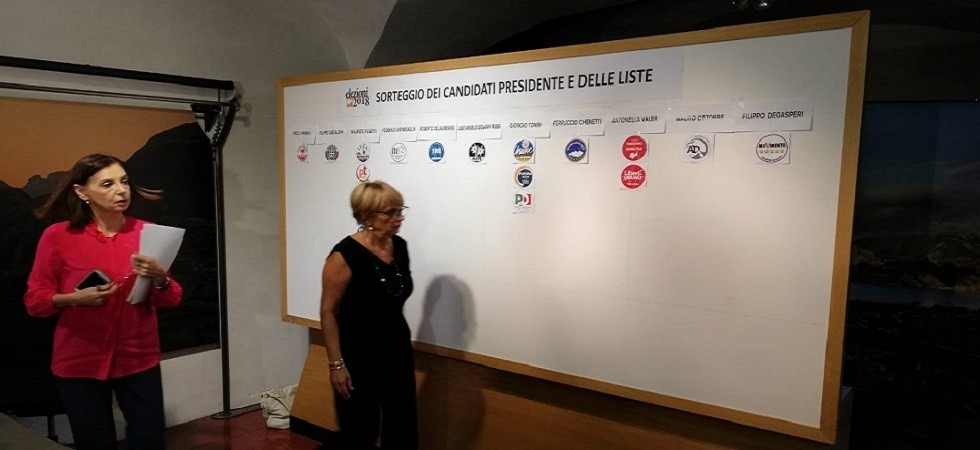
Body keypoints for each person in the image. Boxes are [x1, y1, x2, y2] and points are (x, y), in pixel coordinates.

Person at [23, 153, 182, 450]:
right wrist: (73, 299)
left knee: (149, 440)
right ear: (82, 192)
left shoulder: (148, 233)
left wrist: (160, 277)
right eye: (107, 184)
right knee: (94, 442)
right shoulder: (58, 236)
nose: (121, 190)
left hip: (139, 359)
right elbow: (35, 301)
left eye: (124, 181)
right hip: (79, 360)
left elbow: (171, 298)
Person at [320, 180, 417, 450]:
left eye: (400, 210)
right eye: (390, 212)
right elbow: (328, 311)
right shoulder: (344, 255)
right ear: (367, 215)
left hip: (397, 349)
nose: (399, 218)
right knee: (360, 429)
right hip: (358, 354)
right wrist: (336, 365)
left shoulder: (399, 247)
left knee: (402, 424)